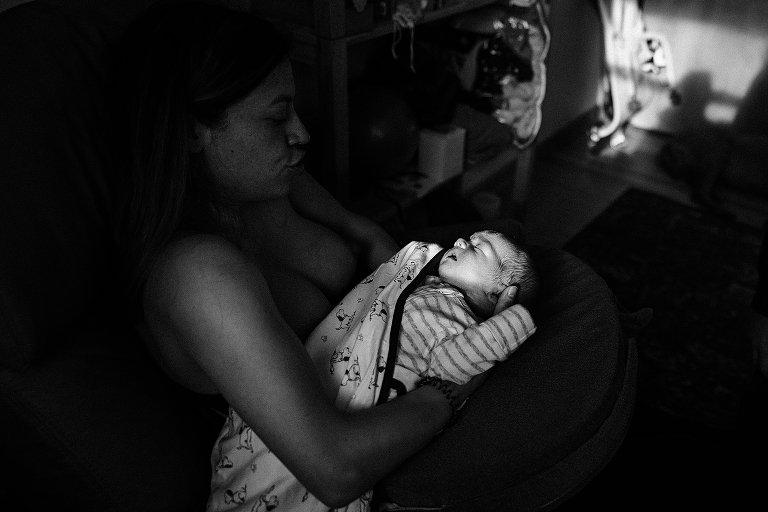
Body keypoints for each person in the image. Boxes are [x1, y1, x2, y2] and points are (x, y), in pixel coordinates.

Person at [111, 1, 503, 509]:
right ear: (190, 131)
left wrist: (439, 302)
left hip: (406, 366)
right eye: (277, 117)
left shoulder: (269, 183)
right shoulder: (195, 276)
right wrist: (458, 378)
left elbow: (371, 241)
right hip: (361, 451)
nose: (301, 133)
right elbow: (335, 470)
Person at [208, 230, 540, 511]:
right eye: (468, 238)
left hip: (361, 398)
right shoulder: (433, 285)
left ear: (499, 293)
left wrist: (507, 324)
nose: (460, 241)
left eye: (478, 248)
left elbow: (453, 366)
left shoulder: (462, 325)